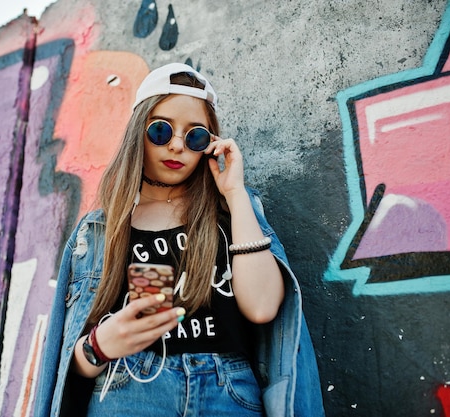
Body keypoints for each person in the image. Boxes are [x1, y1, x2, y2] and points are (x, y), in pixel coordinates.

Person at [35, 63, 325, 417]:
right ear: (137, 132)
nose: (176, 146)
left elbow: (263, 308)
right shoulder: (98, 232)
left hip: (229, 393)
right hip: (130, 391)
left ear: (210, 145)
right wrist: (100, 345)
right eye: (161, 130)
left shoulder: (232, 214)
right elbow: (64, 366)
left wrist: (235, 193)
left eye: (195, 137)